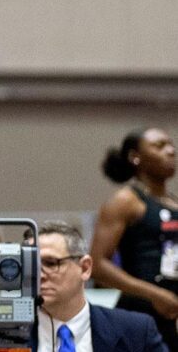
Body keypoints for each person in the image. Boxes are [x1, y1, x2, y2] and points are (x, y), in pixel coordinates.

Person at [91, 128, 178, 351]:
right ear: (135, 157)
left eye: (171, 145)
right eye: (159, 146)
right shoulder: (126, 201)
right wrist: (154, 294)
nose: (170, 151)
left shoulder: (173, 202)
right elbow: (98, 265)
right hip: (142, 313)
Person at [35, 220, 164, 352]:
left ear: (85, 268)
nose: (39, 275)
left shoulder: (137, 331)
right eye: (32, 265)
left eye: (51, 264)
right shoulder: (14, 333)